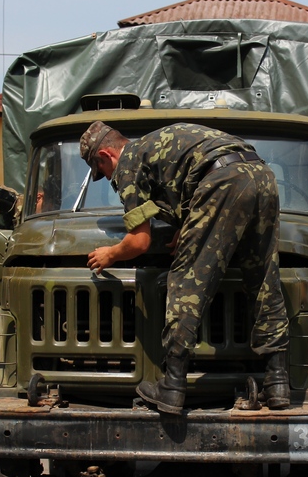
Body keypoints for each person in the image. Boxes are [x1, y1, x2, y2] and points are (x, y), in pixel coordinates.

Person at [81, 120, 290, 415]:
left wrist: (111, 255)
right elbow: (193, 173)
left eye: (101, 170)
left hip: (221, 181)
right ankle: (277, 382)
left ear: (106, 155)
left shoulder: (128, 162)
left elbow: (139, 241)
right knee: (263, 276)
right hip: (261, 175)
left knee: (188, 279)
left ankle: (173, 385)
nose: (106, 175)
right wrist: (190, 219)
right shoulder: (157, 144)